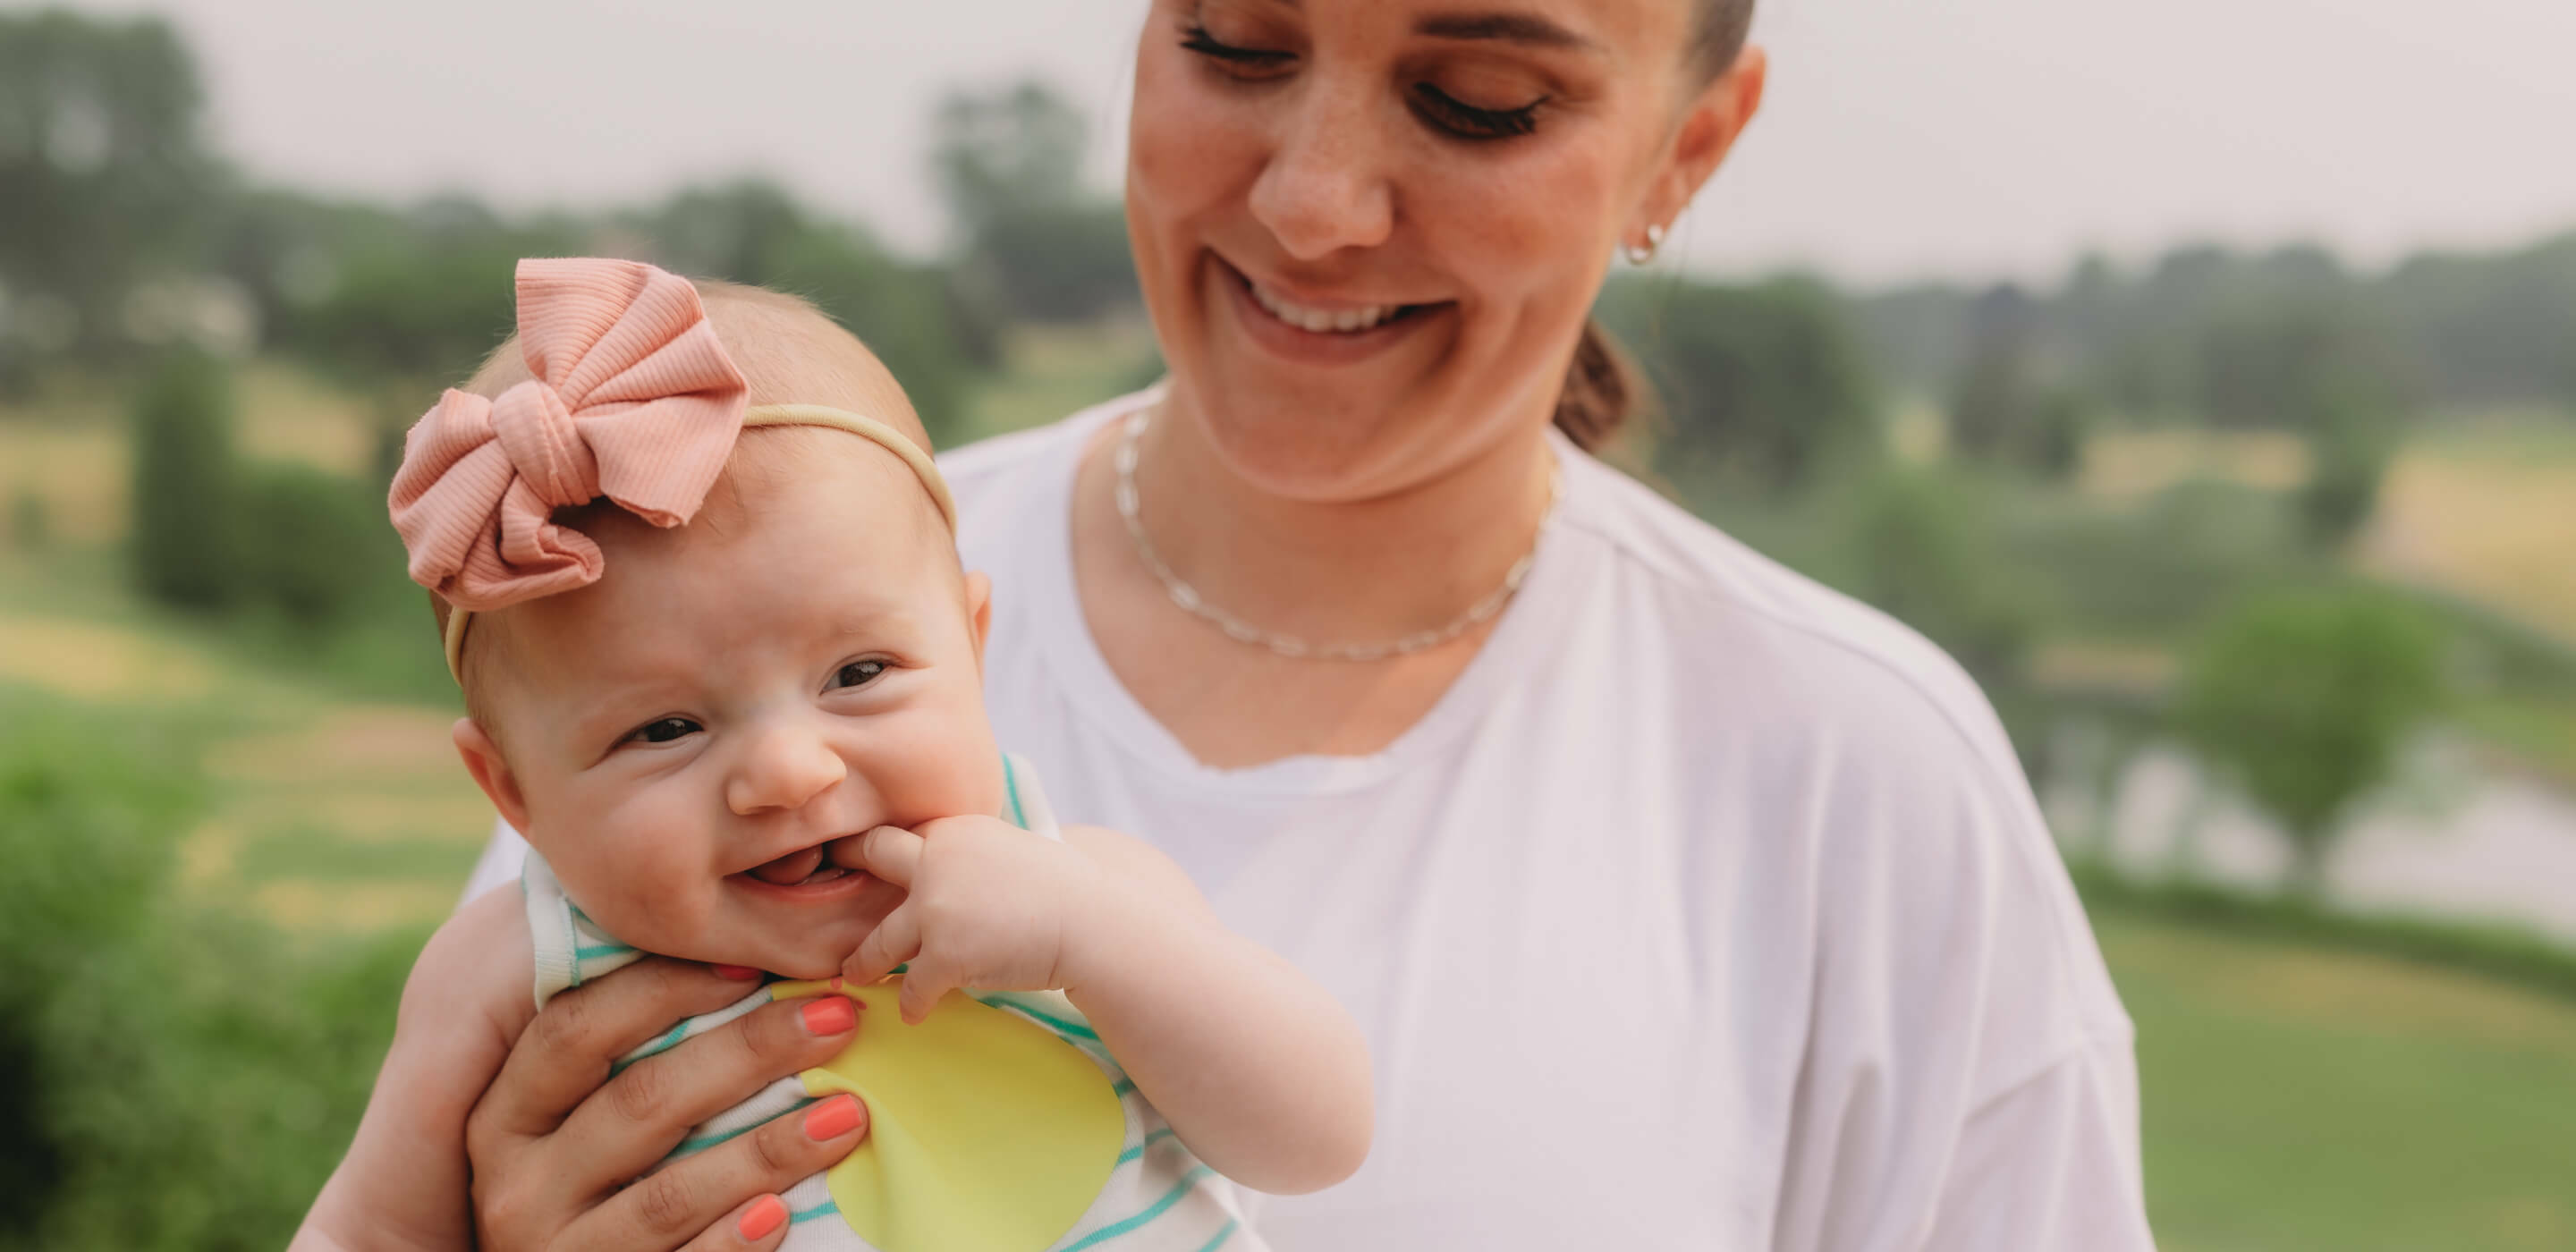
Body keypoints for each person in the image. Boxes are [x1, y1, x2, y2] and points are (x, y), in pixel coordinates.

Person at [453, 0, 2159, 1247]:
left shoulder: (1862, 773)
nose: (1315, 203)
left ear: (1688, 147)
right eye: (1238, 46)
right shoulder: (661, 619)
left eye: (1480, 99)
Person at [299, 259, 1371, 1252]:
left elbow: (1316, 1139)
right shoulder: (504, 975)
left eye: (858, 674)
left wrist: (1093, 938)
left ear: (973, 644)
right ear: (513, 790)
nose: (791, 772)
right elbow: (366, 1232)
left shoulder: (1079, 893)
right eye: (665, 729)